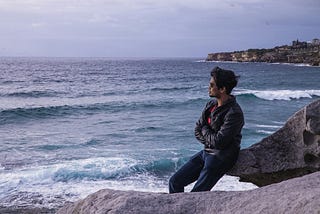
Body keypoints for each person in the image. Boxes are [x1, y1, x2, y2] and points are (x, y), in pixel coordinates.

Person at [169, 66, 244, 193]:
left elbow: (219, 141)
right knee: (175, 181)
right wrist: (208, 136)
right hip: (206, 152)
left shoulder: (234, 113)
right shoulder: (211, 105)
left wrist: (205, 129)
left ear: (222, 89)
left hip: (221, 158)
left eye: (212, 85)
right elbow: (197, 130)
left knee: (196, 194)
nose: (208, 87)